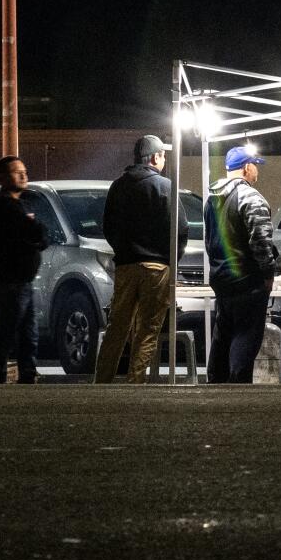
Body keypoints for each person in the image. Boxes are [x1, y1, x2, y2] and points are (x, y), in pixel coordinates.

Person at [96, 136, 178, 383]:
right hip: (157, 267)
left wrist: (124, 249)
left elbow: (108, 226)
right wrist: (170, 256)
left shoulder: (118, 186)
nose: (164, 160)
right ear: (155, 157)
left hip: (126, 264)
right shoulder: (165, 187)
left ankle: (101, 382)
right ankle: (135, 383)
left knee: (117, 327)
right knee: (147, 330)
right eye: (163, 155)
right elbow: (179, 229)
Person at [204, 146, 280, 383]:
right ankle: (239, 388)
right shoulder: (251, 198)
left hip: (221, 279)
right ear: (247, 167)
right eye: (255, 165)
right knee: (246, 337)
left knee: (223, 336)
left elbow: (209, 241)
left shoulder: (212, 199)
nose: (257, 170)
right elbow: (261, 241)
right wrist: (268, 273)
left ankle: (215, 384)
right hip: (248, 281)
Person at [0, 156, 50, 384]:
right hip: (13, 279)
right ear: (2, 178)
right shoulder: (6, 206)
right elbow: (37, 234)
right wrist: (35, 226)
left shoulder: (15, 206)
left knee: (25, 332)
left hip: (21, 280)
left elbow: (37, 235)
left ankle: (25, 375)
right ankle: (1, 376)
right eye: (17, 172)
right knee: (11, 330)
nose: (24, 175)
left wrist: (35, 228)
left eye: (25, 170)